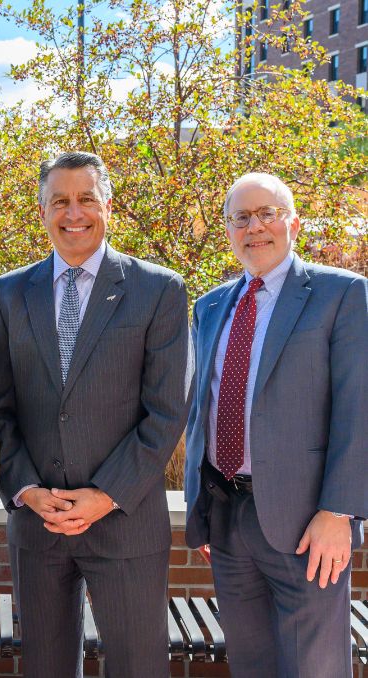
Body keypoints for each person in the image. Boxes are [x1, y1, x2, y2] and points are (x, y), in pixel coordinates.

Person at [0, 151, 193, 677]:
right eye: (60, 201)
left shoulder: (158, 289)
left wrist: (105, 496)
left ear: (108, 206)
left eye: (85, 199)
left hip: (125, 522)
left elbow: (167, 412)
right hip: (37, 524)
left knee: (137, 667)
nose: (73, 213)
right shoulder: (8, 293)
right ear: (42, 211)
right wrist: (27, 490)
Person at [184, 172, 366, 678]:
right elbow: (204, 407)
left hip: (309, 524)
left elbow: (359, 408)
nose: (254, 227)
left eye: (267, 213)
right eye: (240, 217)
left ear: (294, 223)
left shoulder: (342, 295)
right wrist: (202, 502)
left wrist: (340, 512)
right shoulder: (210, 306)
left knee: (315, 667)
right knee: (251, 664)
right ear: (227, 230)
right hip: (227, 518)